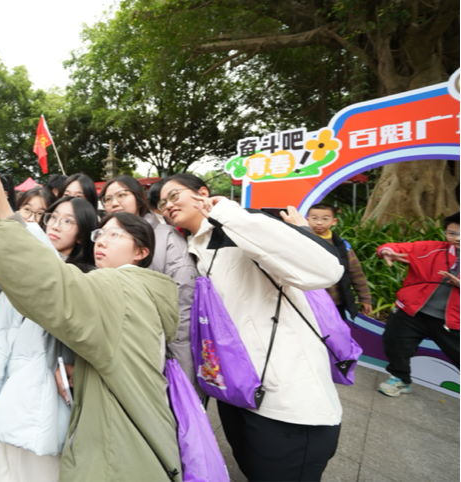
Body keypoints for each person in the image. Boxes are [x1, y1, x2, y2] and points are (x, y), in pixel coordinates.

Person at [0, 130, 182, 482]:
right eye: (50, 215)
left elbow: (43, 273)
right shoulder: (11, 257)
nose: (51, 223)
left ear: (81, 230)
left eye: (69, 219)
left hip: (39, 416)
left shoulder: (93, 282)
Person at [158, 174, 345, 482]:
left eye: (174, 195)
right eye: (162, 202)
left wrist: (228, 213)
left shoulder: (243, 226)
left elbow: (326, 269)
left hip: (288, 409)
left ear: (202, 192)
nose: (168, 205)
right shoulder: (191, 249)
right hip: (237, 396)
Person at [100, 176, 197, 381]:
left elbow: (183, 300)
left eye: (122, 195)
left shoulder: (165, 236)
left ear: (139, 198)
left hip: (164, 346)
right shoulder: (104, 239)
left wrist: (180, 364)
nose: (114, 202)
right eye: (107, 199)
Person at [376, 211, 460, 397]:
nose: (457, 238)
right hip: (412, 312)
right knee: (395, 344)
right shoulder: (431, 248)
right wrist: (386, 252)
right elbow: (392, 247)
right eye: (452, 233)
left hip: (454, 321)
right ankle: (400, 379)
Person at [307, 203, 373, 318]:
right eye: (314, 218)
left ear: (334, 221)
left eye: (325, 219)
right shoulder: (302, 241)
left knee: (336, 332)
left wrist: (365, 298)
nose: (319, 222)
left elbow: (356, 273)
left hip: (336, 301)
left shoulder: (342, 246)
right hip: (309, 300)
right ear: (307, 220)